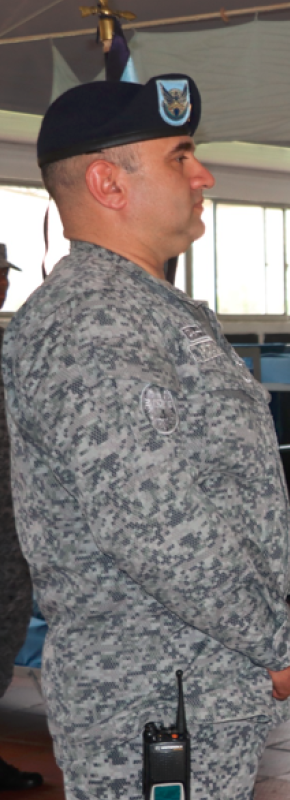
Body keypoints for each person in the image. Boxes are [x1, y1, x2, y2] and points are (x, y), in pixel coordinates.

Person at [4, 75, 290, 800]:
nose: (203, 174)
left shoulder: (150, 311)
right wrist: (276, 640)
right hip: (152, 694)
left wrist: (289, 605)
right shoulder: (92, 320)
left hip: (195, 681)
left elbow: (224, 491)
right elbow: (151, 521)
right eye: (180, 156)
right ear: (108, 183)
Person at [0, 245, 43, 794]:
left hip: (12, 530)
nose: (2, 284)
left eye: (2, 274)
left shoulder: (12, 345)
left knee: (4, 635)